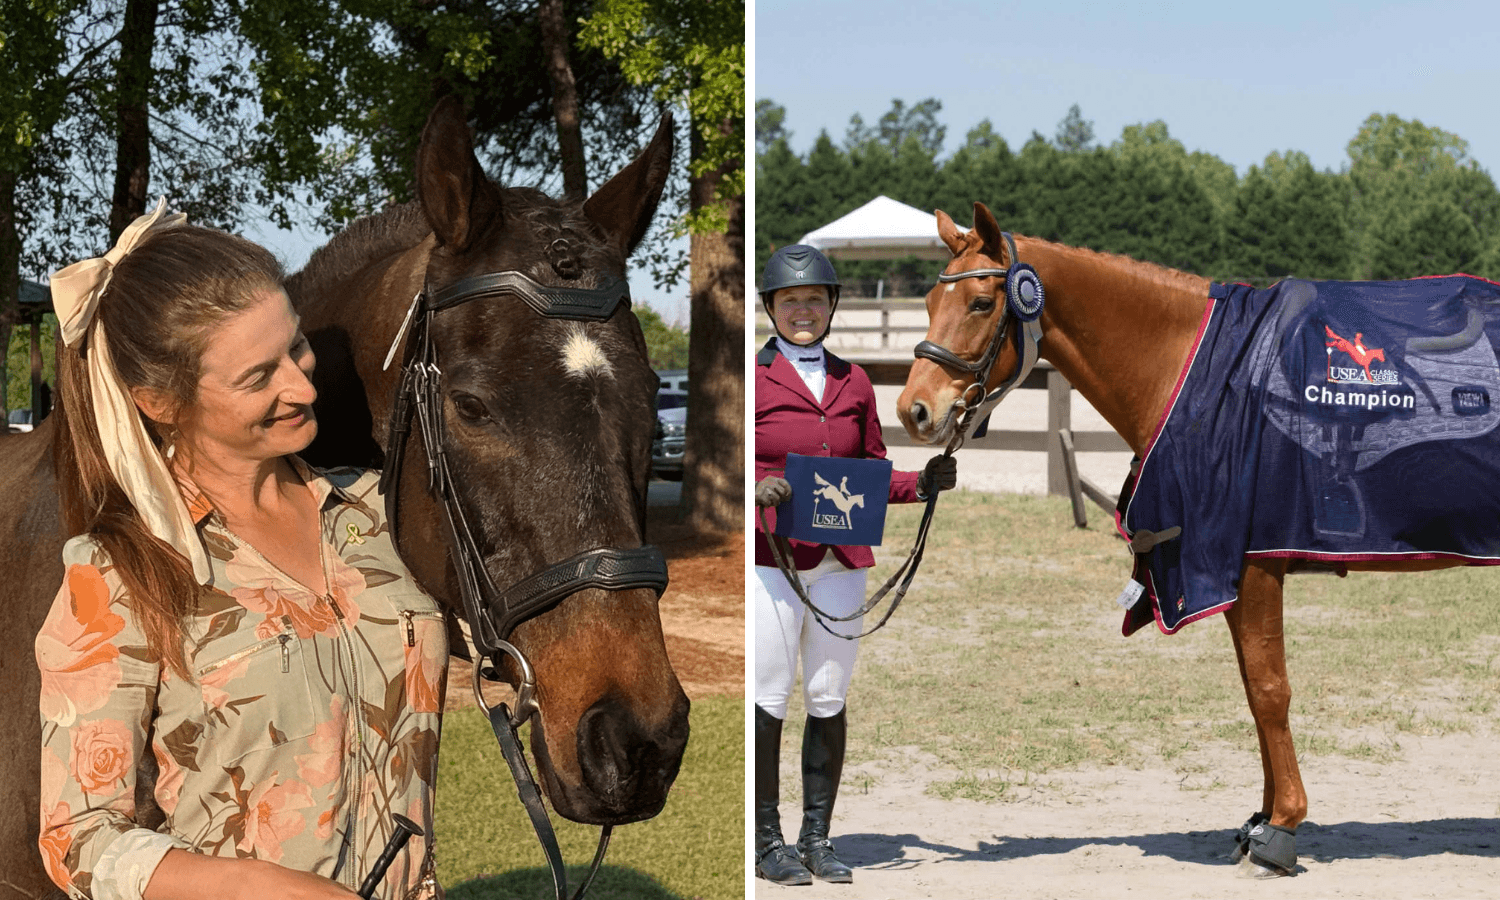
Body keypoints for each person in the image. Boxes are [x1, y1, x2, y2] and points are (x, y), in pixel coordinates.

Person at [36, 201, 447, 900]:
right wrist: (272, 888)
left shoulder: (381, 513)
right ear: (159, 401)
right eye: (258, 377)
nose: (301, 385)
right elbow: (79, 839)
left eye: (296, 346)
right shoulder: (118, 574)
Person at [753, 245, 957, 885]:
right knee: (768, 693)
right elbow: (727, 466)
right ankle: (766, 839)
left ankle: (817, 836)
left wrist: (919, 485)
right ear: (773, 309)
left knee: (827, 695)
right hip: (774, 558)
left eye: (815, 299)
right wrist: (756, 487)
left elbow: (867, 470)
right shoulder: (752, 379)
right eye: (792, 301)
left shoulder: (855, 381)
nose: (804, 310)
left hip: (842, 560)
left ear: (832, 305)